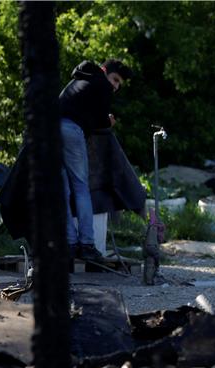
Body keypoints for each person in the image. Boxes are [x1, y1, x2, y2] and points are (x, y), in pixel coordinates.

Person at [59, 58, 132, 260]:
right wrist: (108, 121)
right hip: (71, 130)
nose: (115, 87)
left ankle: (70, 244)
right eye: (115, 80)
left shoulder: (79, 80)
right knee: (81, 187)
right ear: (104, 70)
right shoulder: (102, 84)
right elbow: (101, 121)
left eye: (118, 84)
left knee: (62, 190)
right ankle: (88, 245)